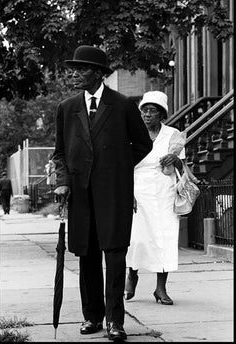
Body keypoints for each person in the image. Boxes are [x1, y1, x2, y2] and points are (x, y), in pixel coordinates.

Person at [53, 45, 152, 341]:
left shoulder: (121, 105)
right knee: (87, 255)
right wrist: (63, 181)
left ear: (98, 73)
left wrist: (117, 169)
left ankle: (115, 322)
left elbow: (143, 144)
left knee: (115, 254)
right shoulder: (67, 108)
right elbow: (60, 152)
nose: (75, 75)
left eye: (81, 70)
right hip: (81, 195)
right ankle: (92, 317)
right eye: (74, 70)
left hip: (114, 194)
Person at [125, 90, 185, 305]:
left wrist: (175, 159)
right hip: (138, 189)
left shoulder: (173, 134)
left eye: (152, 111)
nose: (147, 115)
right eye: (144, 111)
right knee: (136, 238)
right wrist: (127, 193)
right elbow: (123, 166)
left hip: (164, 190)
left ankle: (161, 288)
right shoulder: (131, 133)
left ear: (161, 114)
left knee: (165, 238)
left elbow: (182, 166)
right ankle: (132, 274)